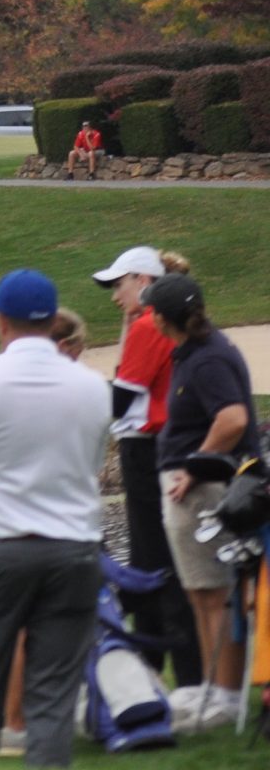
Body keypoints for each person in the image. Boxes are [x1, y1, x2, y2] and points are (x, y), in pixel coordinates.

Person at [0, 269, 111, 768]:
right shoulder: (95, 388)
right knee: (52, 699)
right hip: (74, 552)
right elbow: (90, 462)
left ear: (2, 323)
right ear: (54, 321)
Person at [147, 273, 262, 731]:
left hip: (206, 490)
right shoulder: (197, 352)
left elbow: (232, 419)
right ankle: (214, 687)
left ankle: (228, 698)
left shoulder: (208, 358)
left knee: (217, 594)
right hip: (193, 489)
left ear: (162, 317)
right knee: (200, 592)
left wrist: (195, 466)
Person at [98, 246, 204, 690]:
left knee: (152, 562)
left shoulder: (147, 326)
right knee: (155, 559)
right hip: (162, 446)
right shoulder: (151, 323)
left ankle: (159, 669)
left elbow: (120, 400)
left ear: (143, 282)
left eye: (119, 285)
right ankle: (160, 667)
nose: (113, 296)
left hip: (146, 450)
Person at [0, 307, 93, 751]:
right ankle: (21, 723)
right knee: (31, 628)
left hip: (14, 527)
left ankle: (25, 722)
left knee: (32, 627)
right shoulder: (82, 391)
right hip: (50, 529)